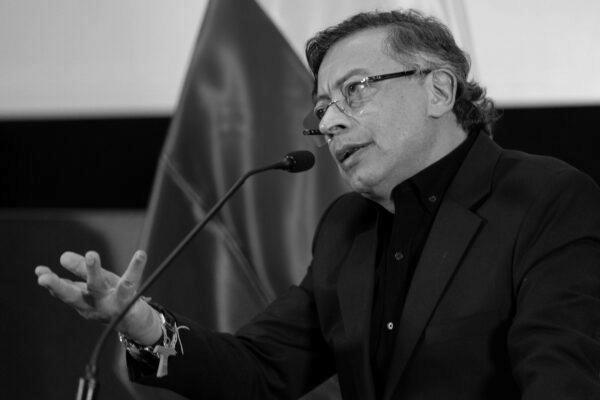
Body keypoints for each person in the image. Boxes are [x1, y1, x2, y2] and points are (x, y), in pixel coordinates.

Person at [35, 9, 600, 400]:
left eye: (355, 90)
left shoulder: (546, 199)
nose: (329, 123)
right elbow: (260, 370)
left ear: (438, 90)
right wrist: (144, 325)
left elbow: (564, 380)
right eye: (322, 107)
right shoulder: (345, 228)